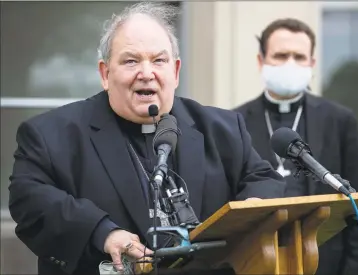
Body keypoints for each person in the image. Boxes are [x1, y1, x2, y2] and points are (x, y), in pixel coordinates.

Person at [8, 3, 286, 275]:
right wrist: (101, 231)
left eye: (158, 60)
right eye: (131, 61)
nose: (146, 73)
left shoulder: (222, 127)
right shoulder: (51, 135)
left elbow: (263, 178)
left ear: (175, 72)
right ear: (105, 74)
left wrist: (250, 211)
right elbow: (30, 199)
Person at [233, 18, 358, 275]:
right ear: (260, 61)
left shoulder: (340, 121)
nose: (290, 64)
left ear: (312, 64)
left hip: (326, 264)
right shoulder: (233, 122)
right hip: (257, 263)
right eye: (281, 55)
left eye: (299, 56)